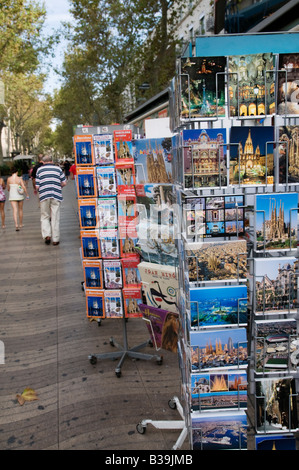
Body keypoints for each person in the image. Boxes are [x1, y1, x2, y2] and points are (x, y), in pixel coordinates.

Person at [35, 155, 67, 245]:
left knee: (45, 216)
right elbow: (64, 182)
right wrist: (57, 186)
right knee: (55, 217)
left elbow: (37, 186)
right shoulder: (58, 169)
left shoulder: (39, 170)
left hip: (44, 195)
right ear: (52, 161)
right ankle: (55, 239)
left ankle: (47, 235)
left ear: (43, 162)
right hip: (56, 195)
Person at [7, 166, 29, 231]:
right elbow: (24, 187)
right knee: (20, 210)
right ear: (16, 172)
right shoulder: (19, 179)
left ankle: (16, 225)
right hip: (20, 196)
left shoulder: (9, 179)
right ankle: (21, 224)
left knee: (14, 210)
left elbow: (8, 188)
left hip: (12, 197)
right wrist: (27, 194)